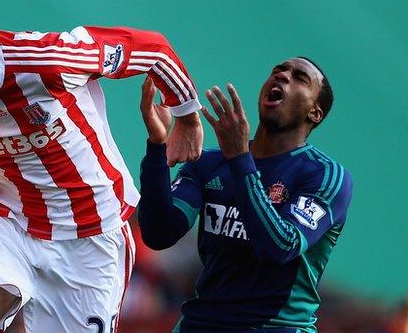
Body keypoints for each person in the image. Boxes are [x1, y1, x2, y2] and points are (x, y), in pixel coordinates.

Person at [0, 0, 203, 333]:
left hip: (91, 232)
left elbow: (153, 50)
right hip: (5, 221)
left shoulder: (47, 61)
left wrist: (187, 114)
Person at [137, 57, 353, 332]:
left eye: (299, 78)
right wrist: (157, 146)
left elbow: (280, 247)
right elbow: (159, 234)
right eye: (278, 70)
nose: (283, 76)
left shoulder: (323, 175)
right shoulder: (209, 163)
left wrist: (240, 158)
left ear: (315, 112)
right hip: (201, 323)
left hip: (276, 326)